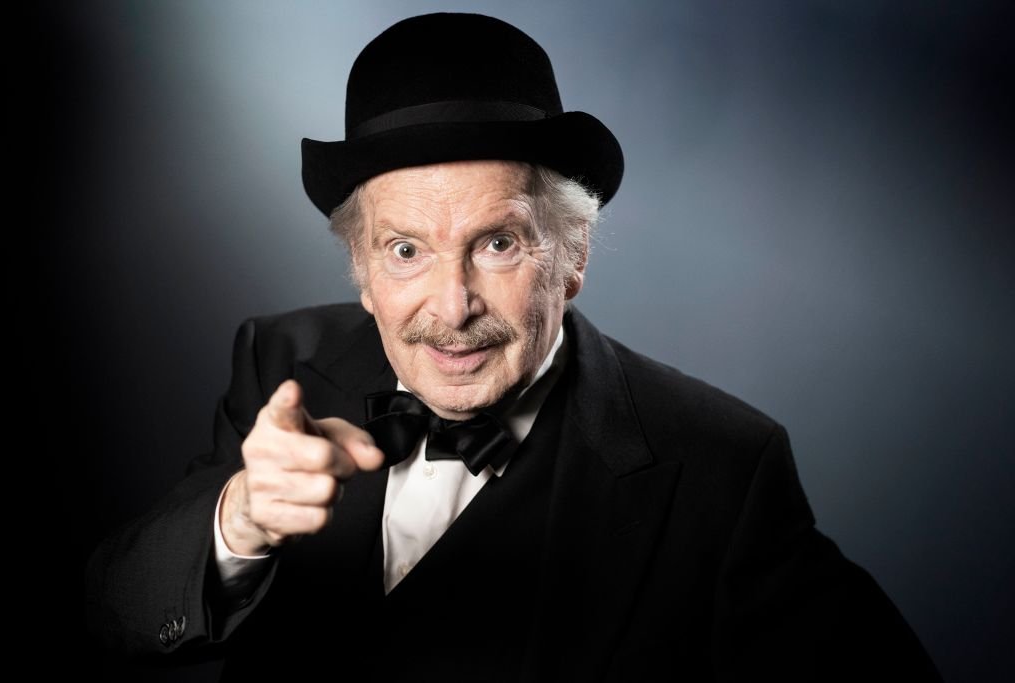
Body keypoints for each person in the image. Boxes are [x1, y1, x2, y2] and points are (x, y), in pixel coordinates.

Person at [86, 12, 941, 681]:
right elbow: (117, 612)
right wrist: (238, 517)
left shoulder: (720, 468)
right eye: (406, 250)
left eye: (498, 244)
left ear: (571, 258)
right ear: (361, 268)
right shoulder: (281, 363)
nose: (451, 309)